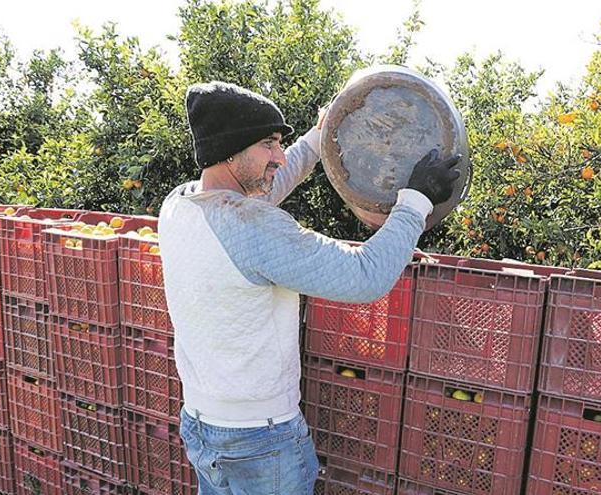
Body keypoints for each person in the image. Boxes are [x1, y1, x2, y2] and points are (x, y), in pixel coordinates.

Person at [159, 81, 461, 495]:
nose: (280, 157)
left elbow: (257, 196)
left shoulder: (179, 205)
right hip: (260, 440)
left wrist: (320, 139)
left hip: (202, 423)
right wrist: (415, 202)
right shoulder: (256, 229)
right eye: (268, 144)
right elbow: (365, 276)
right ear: (231, 150)